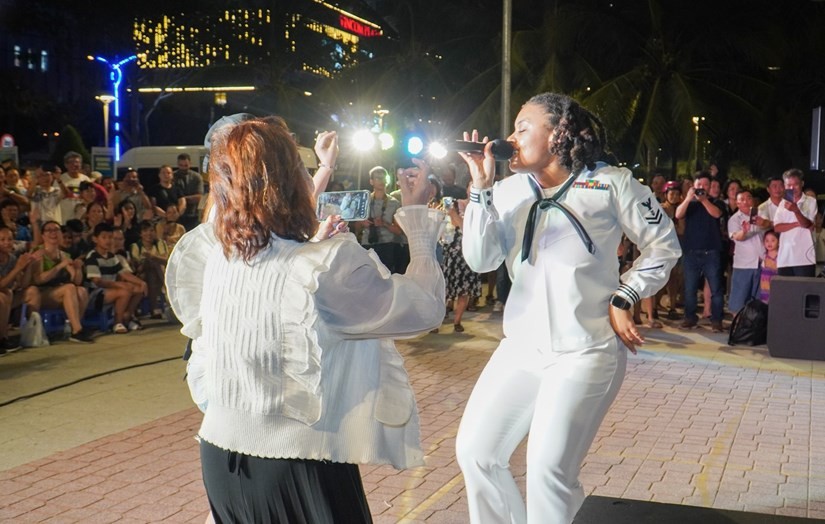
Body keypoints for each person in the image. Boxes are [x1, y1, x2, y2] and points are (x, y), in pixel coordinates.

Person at [166, 116, 445, 523]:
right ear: (289, 181)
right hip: (295, 464)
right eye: (300, 167)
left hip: (220, 459)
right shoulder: (325, 265)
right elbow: (421, 308)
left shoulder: (216, 256)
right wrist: (417, 218)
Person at [454, 92, 680, 523]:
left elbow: (663, 245)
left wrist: (625, 296)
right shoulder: (507, 190)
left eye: (523, 127)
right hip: (521, 347)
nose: (510, 137)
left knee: (548, 471)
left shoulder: (611, 182)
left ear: (558, 133)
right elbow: (480, 260)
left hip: (585, 351)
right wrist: (480, 191)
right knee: (477, 452)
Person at [675, 172, 726, 332]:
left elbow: (716, 214)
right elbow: (678, 214)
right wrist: (689, 198)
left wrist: (704, 200)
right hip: (691, 251)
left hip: (711, 252)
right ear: (693, 186)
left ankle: (716, 320)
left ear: (710, 187)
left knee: (716, 289)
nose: (701, 188)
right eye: (699, 185)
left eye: (705, 185)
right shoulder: (689, 203)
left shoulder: (717, 202)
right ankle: (689, 318)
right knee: (690, 288)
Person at [31, 221, 94, 343]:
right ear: (43, 235)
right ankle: (77, 330)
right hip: (41, 293)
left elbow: (76, 281)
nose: (53, 233)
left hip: (60, 292)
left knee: (81, 291)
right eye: (49, 230)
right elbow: (39, 279)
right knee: (69, 288)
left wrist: (77, 268)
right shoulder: (38, 252)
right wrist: (59, 267)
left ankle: (73, 327)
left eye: (56, 230)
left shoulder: (64, 255)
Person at [84, 223, 147, 334]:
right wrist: (119, 285)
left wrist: (141, 282)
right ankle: (117, 322)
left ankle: (127, 316)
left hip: (111, 290)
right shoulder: (92, 257)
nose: (108, 241)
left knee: (139, 288)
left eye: (110, 237)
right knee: (124, 291)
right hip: (95, 294)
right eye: (104, 237)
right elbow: (97, 281)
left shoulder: (112, 256)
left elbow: (123, 273)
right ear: (95, 239)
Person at [773, 168, 817, 277]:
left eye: (796, 184)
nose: (792, 188)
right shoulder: (782, 204)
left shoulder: (810, 201)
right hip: (785, 258)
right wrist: (796, 224)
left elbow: (807, 224)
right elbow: (777, 227)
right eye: (788, 185)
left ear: (802, 183)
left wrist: (796, 210)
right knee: (786, 293)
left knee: (804, 292)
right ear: (785, 185)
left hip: (805, 258)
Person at [727, 189, 763, 313]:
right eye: (742, 199)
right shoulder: (734, 219)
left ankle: (753, 328)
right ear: (737, 203)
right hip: (744, 265)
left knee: (758, 301)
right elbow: (737, 237)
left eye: (749, 198)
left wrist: (764, 222)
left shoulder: (760, 215)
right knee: (739, 300)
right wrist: (745, 230)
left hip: (761, 264)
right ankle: (737, 328)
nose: (746, 201)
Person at [173, 153, 205, 230]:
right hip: (176, 216)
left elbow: (199, 197)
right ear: (177, 164)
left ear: (190, 164)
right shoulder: (173, 176)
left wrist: (181, 199)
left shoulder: (196, 177)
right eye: (181, 165)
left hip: (193, 215)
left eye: (186, 165)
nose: (183, 168)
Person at [759, 230, 779, 303]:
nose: (769, 243)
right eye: (767, 241)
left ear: (779, 242)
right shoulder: (764, 257)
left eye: (773, 240)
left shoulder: (780, 257)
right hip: (764, 290)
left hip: (776, 290)